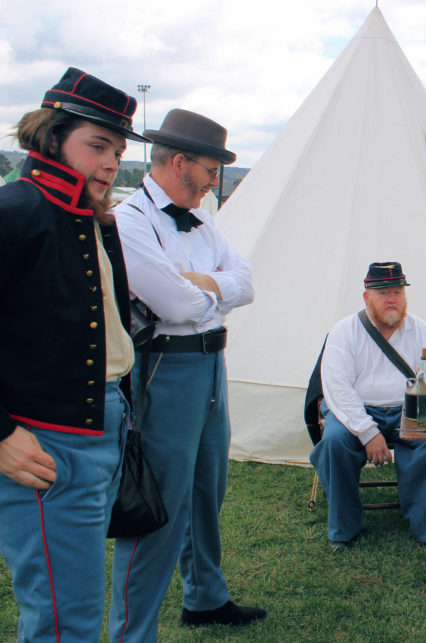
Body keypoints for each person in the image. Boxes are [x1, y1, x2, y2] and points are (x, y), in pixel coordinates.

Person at [0, 68, 147, 642]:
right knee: (66, 620)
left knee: (78, 605)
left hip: (104, 426)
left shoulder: (93, 218)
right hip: (46, 441)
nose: (111, 163)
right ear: (51, 137)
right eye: (97, 146)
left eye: (116, 150)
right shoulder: (15, 212)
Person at [108, 109, 262, 639]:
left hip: (210, 363)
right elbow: (173, 303)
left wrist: (201, 286)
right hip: (163, 371)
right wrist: (211, 290)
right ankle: (133, 633)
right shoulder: (130, 220)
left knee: (207, 488)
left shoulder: (204, 216)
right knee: (159, 504)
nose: (215, 179)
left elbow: (247, 282)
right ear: (180, 162)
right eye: (211, 168)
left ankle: (204, 597)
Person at [310, 262, 426, 550]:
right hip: (356, 411)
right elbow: (337, 389)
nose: (392, 299)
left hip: (409, 410)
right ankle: (344, 529)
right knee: (335, 441)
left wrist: (421, 412)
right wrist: (367, 432)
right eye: (383, 292)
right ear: (367, 298)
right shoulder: (344, 331)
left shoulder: (420, 329)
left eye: (398, 292)